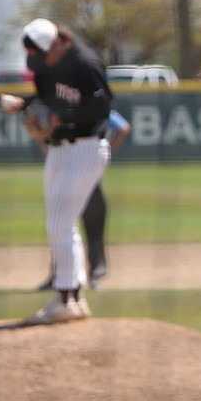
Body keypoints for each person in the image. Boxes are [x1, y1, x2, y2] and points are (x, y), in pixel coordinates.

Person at [0, 18, 113, 325]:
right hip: (59, 150)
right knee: (61, 223)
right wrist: (23, 104)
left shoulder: (86, 63)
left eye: (41, 54)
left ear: (58, 43)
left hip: (87, 148)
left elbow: (102, 107)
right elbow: (47, 101)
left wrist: (65, 116)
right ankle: (74, 298)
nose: (39, 61)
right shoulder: (45, 68)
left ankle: (63, 297)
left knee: (60, 224)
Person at [36, 109, 131, 291]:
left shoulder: (80, 110)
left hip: (73, 174)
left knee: (62, 226)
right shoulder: (86, 110)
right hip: (86, 174)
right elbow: (123, 128)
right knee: (67, 227)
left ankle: (67, 275)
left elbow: (123, 127)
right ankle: (84, 275)